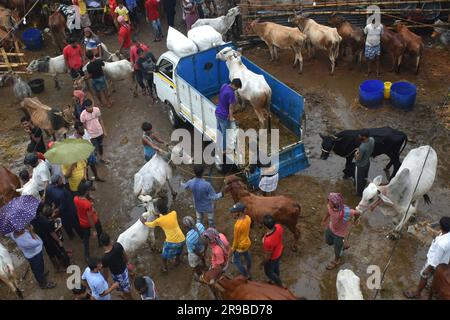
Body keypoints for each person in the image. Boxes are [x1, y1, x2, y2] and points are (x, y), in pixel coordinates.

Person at [404, 216, 450, 299]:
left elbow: (435, 259)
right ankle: (434, 292)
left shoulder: (441, 244)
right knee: (437, 279)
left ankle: (417, 293)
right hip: (445, 263)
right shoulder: (447, 235)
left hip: (434, 263)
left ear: (440, 227)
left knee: (423, 276)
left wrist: (428, 268)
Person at [140, 200, 186, 273]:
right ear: (167, 208)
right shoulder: (174, 213)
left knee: (164, 255)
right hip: (182, 239)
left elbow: (150, 224)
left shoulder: (159, 220)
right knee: (179, 250)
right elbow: (167, 216)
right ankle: (177, 260)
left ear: (159, 211)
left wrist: (143, 221)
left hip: (171, 242)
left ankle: (164, 267)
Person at [321, 193, 360, 270]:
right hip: (331, 228)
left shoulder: (346, 212)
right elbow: (329, 212)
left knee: (337, 250)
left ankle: (336, 260)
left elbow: (357, 213)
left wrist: (355, 220)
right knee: (328, 241)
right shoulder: (329, 207)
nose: (328, 203)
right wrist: (324, 219)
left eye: (330, 202)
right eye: (328, 201)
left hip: (340, 234)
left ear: (336, 204)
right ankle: (342, 245)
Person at [31, 204, 70, 272]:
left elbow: (33, 230)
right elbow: (52, 233)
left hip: (42, 239)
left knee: (50, 253)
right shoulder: (45, 221)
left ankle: (56, 266)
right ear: (39, 211)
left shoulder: (32, 219)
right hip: (50, 240)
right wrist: (59, 241)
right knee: (58, 252)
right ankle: (62, 266)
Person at [46, 174, 83, 240]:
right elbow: (64, 204)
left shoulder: (49, 187)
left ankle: (71, 235)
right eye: (60, 180)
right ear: (56, 183)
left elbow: (49, 200)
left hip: (60, 212)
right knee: (76, 224)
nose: (62, 180)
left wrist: (54, 207)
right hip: (69, 210)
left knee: (65, 224)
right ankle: (82, 236)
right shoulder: (61, 193)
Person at [74, 181, 104, 261]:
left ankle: (86, 255)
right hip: (92, 221)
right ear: (86, 191)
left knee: (86, 239)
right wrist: (93, 229)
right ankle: (100, 243)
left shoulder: (75, 198)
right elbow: (90, 216)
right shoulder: (87, 204)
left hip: (82, 222)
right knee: (99, 230)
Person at [100, 233, 133, 300]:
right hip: (124, 270)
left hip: (116, 275)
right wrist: (127, 263)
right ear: (110, 240)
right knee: (125, 287)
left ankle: (130, 298)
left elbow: (106, 272)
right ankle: (126, 295)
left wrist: (105, 280)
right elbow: (124, 255)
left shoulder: (105, 258)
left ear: (102, 243)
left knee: (126, 289)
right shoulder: (117, 245)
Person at [215, 79, 242, 157]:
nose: (236, 90)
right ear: (234, 85)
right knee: (225, 133)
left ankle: (218, 145)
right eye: (236, 88)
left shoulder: (224, 85)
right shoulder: (231, 93)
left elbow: (221, 96)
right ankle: (223, 150)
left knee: (219, 130)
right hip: (223, 116)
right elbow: (231, 107)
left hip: (217, 112)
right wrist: (231, 117)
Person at [228, 202, 252, 279]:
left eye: (234, 212)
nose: (232, 213)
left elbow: (236, 239)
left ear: (239, 212)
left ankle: (245, 274)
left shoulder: (237, 225)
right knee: (247, 255)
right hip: (247, 242)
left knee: (236, 260)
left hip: (240, 245)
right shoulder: (248, 218)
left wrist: (232, 249)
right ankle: (249, 268)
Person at [261, 214, 284, 287]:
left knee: (268, 272)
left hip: (272, 257)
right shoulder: (279, 227)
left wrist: (263, 263)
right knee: (276, 266)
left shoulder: (268, 241)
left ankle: (279, 283)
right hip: (279, 251)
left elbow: (268, 256)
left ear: (265, 226)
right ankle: (277, 276)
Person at [354, 129, 375, 196]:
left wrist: (356, 153)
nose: (359, 136)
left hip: (360, 166)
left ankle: (359, 194)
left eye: (360, 135)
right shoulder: (372, 139)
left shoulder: (362, 147)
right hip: (367, 162)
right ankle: (364, 187)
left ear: (364, 137)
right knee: (364, 177)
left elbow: (358, 159)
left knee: (359, 181)